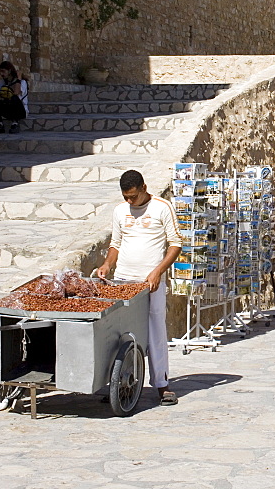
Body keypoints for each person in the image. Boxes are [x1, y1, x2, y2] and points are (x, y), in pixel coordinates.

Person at [97, 169, 182, 405]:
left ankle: (162, 385)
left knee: (155, 330)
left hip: (151, 284)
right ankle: (120, 384)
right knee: (120, 333)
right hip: (123, 280)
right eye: (126, 197)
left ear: (143, 188)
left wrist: (157, 272)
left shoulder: (162, 207)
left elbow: (176, 244)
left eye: (133, 196)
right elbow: (116, 243)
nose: (129, 201)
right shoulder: (120, 211)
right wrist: (107, 264)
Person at [0, 61, 28, 134]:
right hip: (8, 110)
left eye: (3, 71)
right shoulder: (2, 82)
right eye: (0, 72)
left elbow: (16, 92)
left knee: (13, 97)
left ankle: (15, 124)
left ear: (9, 71)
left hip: (20, 111)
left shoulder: (22, 82)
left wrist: (18, 79)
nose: (1, 74)